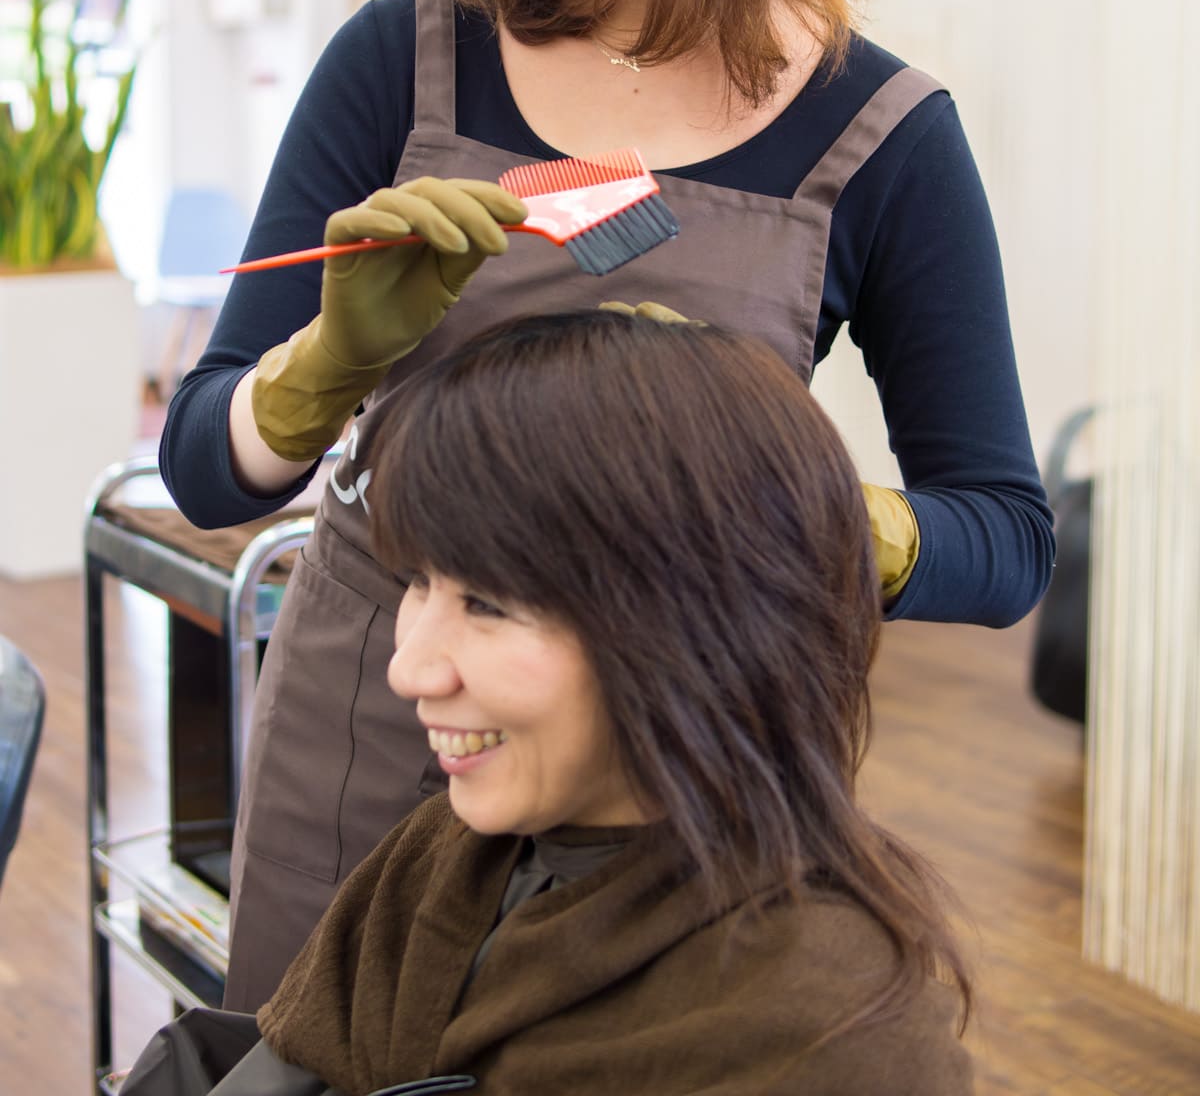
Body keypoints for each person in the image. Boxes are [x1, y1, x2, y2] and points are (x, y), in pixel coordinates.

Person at [159, 0, 1053, 1009]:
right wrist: (324, 370)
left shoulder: (879, 135)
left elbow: (1004, 539)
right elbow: (204, 459)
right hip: (382, 736)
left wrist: (791, 505)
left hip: (686, 787)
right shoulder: (401, 67)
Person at [129, 311, 974, 1095]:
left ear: (697, 624)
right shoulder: (434, 864)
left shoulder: (838, 1040)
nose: (411, 669)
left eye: (490, 605)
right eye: (421, 581)